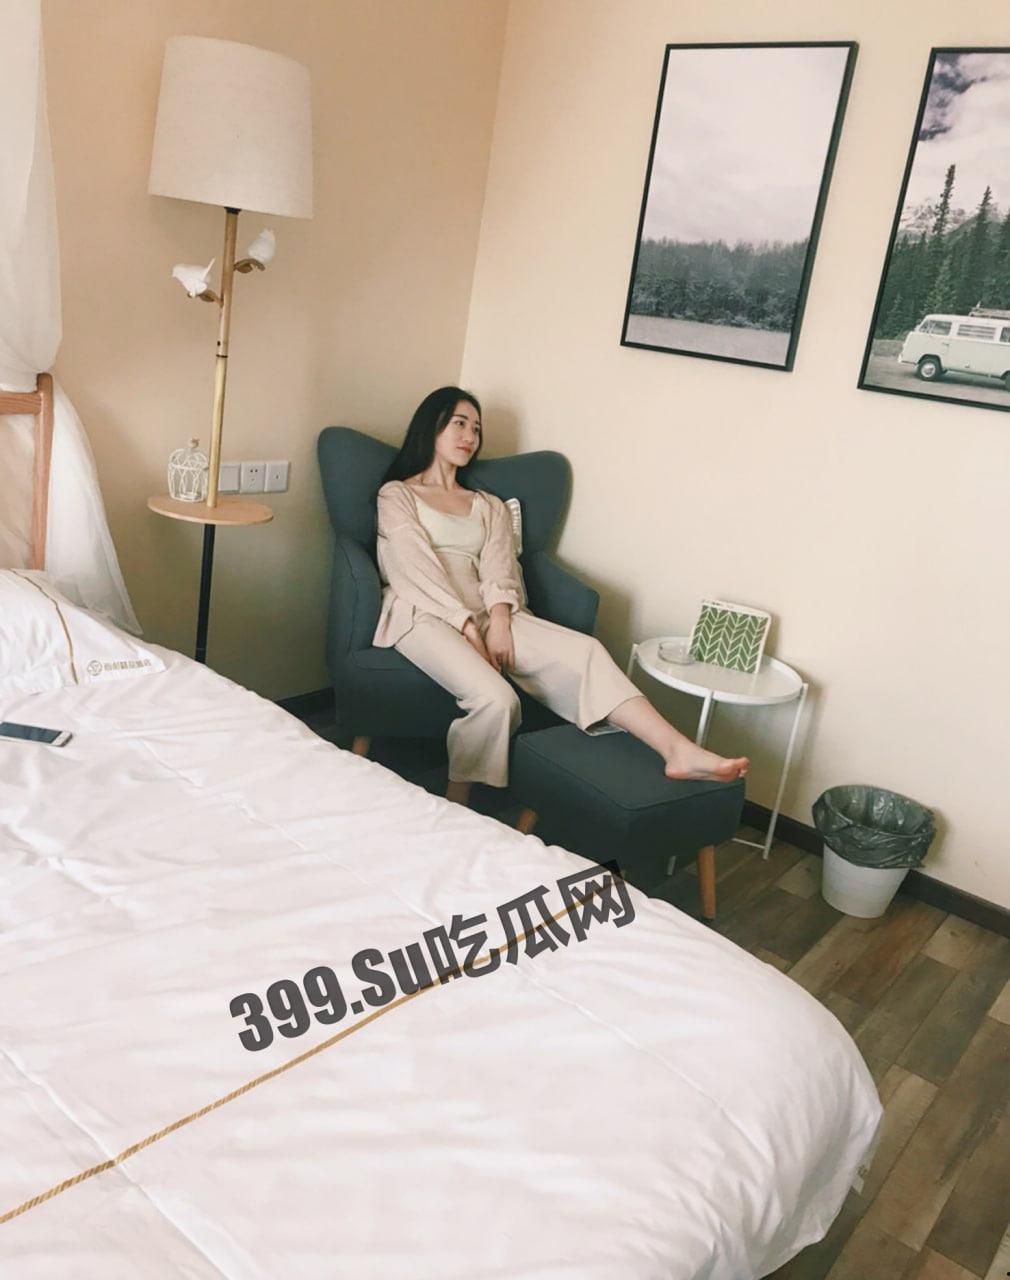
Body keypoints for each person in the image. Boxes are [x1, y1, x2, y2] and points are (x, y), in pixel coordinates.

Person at [371, 386, 749, 807]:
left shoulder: (489, 505)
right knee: (497, 700)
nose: (470, 436)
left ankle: (677, 750)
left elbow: (499, 566)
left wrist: (499, 620)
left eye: (476, 428)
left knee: (586, 651)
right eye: (460, 423)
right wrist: (466, 627)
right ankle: (456, 805)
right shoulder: (397, 495)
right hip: (422, 611)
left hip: (489, 607)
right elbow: (412, 567)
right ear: (432, 427)